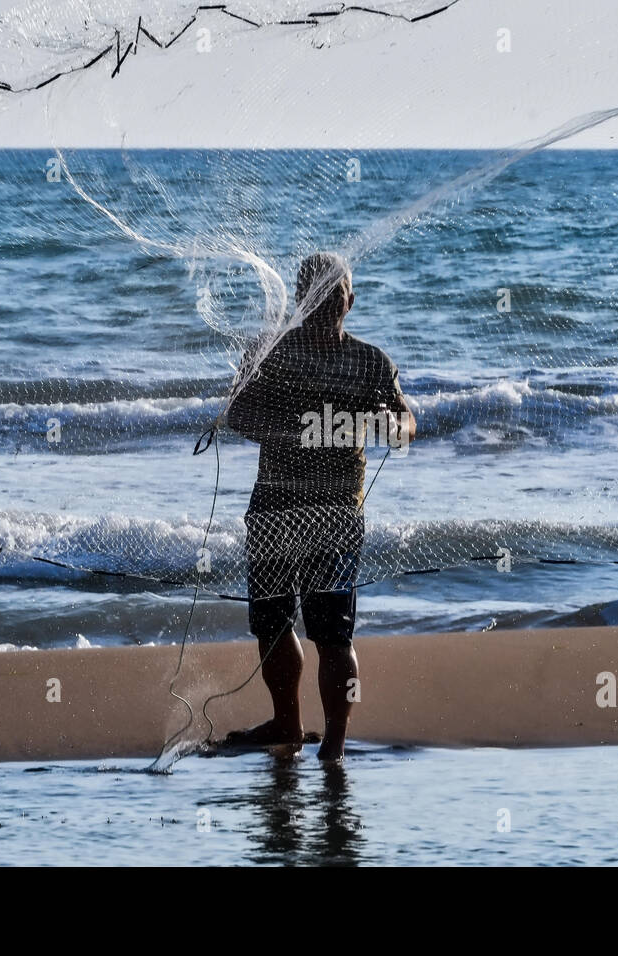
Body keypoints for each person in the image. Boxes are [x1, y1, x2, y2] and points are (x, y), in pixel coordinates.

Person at [224, 252, 415, 761]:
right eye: (320, 294)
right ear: (304, 300)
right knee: (271, 623)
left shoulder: (372, 362)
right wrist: (290, 431)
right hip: (274, 508)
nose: (331, 302)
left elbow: (407, 425)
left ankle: (334, 744)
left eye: (338, 293)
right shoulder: (269, 353)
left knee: (332, 633)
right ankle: (287, 723)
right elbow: (236, 412)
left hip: (335, 514)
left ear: (351, 301)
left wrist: (387, 427)